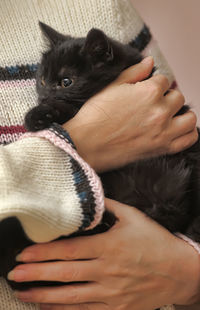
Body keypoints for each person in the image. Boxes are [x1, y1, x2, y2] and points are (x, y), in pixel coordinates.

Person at [0, 1, 199, 310]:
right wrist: (73, 144)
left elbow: (178, 138)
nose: (47, 92)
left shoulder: (103, 5)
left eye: (63, 83)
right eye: (44, 82)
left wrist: (191, 276)